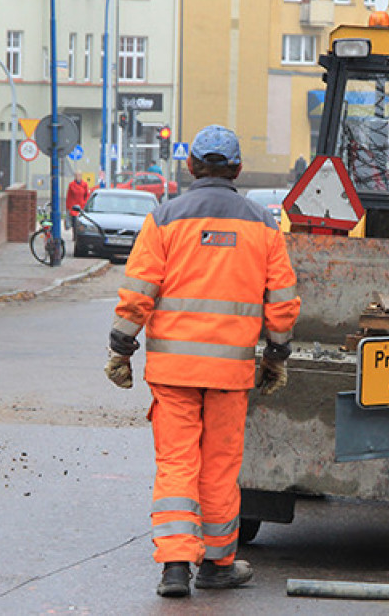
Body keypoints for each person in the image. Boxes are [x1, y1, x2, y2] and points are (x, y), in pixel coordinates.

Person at [103, 124, 301, 598]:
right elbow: (282, 301)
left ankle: (175, 566)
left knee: (176, 464)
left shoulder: (165, 219)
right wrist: (276, 354)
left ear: (190, 166)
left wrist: (121, 347)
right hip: (230, 374)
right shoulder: (263, 223)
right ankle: (216, 565)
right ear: (236, 169)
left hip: (173, 374)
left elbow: (139, 291)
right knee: (219, 467)